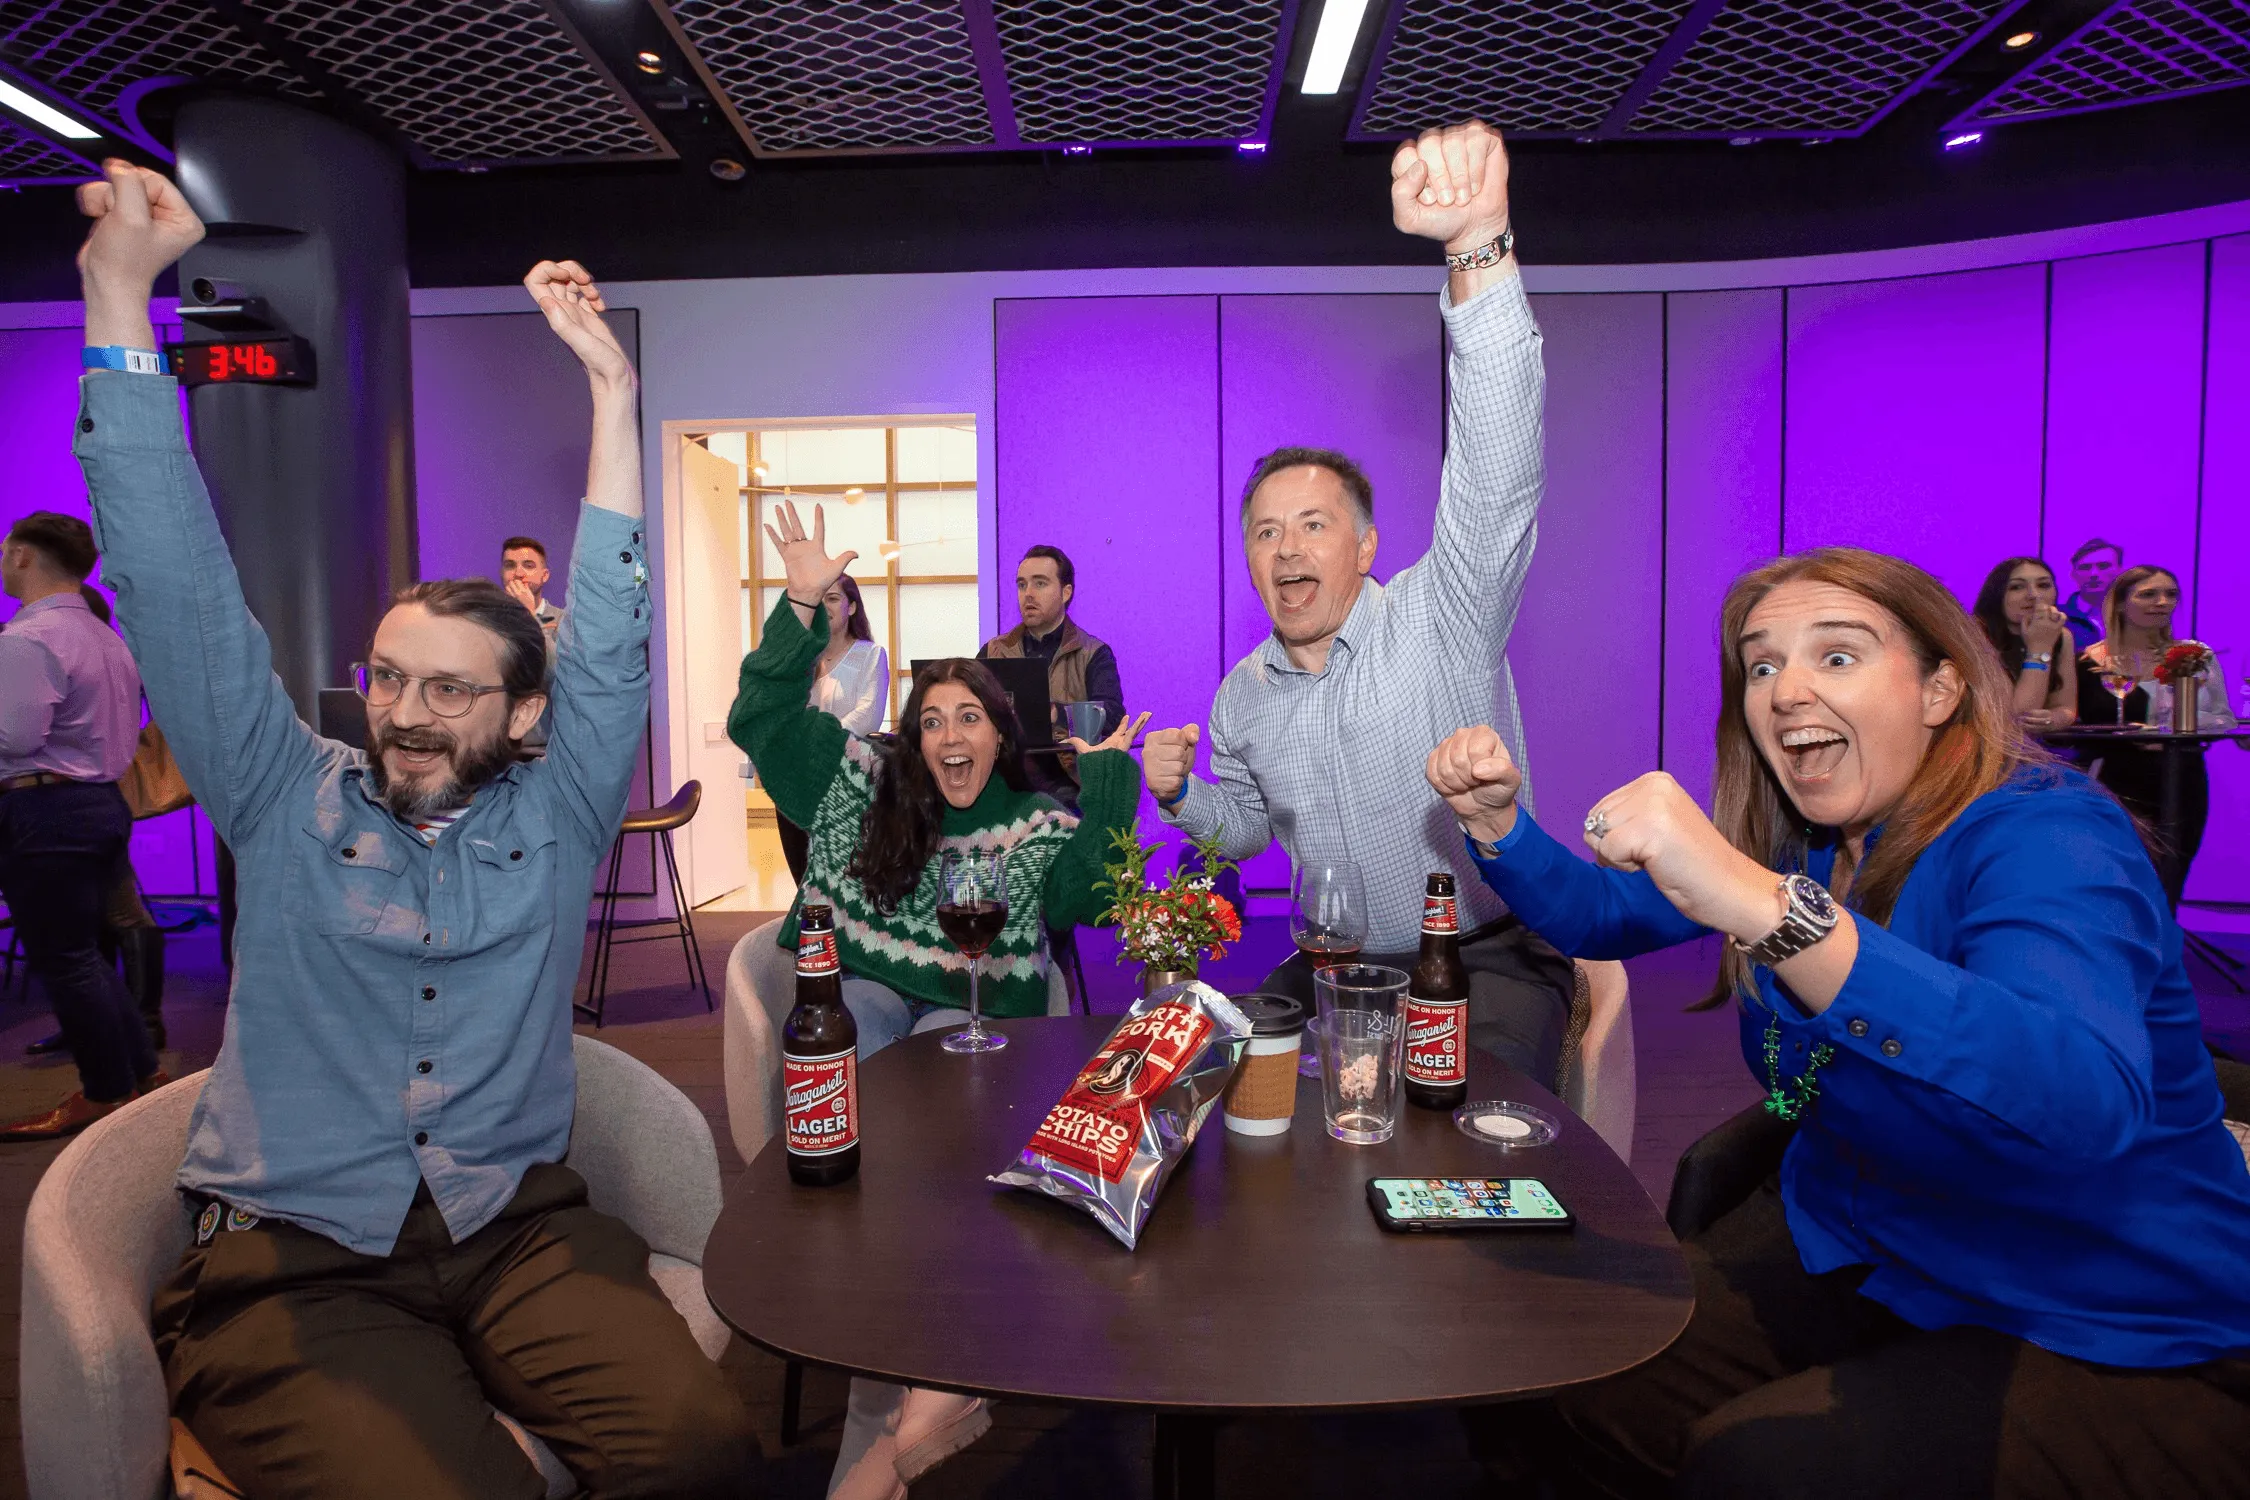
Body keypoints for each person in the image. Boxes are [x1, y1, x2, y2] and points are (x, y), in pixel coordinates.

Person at [68, 159, 756, 1498]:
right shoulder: (284, 790)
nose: (406, 712)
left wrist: (611, 390)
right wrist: (118, 306)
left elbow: (611, 646)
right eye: (388, 678)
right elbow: (178, 593)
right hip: (294, 1259)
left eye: (449, 688)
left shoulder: (559, 812)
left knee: (705, 1449)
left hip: (514, 1232)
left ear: (521, 713)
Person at [1429, 545, 2250, 1498]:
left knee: (1761, 1465)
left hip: (2099, 1313)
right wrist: (1499, 824)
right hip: (1887, 1256)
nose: (1785, 691)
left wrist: (1775, 913)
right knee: (1547, 1358)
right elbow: (1597, 918)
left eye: (1838, 656)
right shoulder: (1807, 843)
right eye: (1763, 664)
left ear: (1941, 688)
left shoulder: (2049, 833)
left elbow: (2081, 1098)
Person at [728, 499, 1154, 1500]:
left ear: (998, 734)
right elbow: (760, 721)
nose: (949, 736)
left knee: (945, 1119)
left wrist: (1109, 783)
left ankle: (900, 1405)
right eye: (931, 720)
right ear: (910, 738)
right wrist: (797, 608)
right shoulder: (858, 784)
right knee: (871, 1087)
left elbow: (1097, 897)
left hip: (973, 1022)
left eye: (970, 718)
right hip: (870, 997)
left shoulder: (1034, 824)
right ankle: (918, 1390)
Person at [1138, 118, 1574, 1084]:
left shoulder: (1442, 615)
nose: (1287, 547)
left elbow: (1497, 472)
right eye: (1265, 532)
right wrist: (1178, 797)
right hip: (1331, 963)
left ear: (1367, 546)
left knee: (1467, 1131)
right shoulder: (1241, 694)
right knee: (1228, 1098)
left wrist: (1477, 250)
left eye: (1314, 525)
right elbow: (1245, 830)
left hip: (1485, 955)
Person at [0, 511, 161, 1139]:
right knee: (84, 955)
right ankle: (139, 1073)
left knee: (67, 958)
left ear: (21, 556)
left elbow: (14, 738)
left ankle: (103, 1091)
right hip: (97, 803)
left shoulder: (28, 639)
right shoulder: (103, 636)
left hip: (45, 808)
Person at [2075, 564, 2236, 903]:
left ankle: (2165, 953)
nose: (2162, 602)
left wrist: (2179, 726)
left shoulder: (2196, 656)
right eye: (2148, 594)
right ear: (2120, 603)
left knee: (2169, 882)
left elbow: (2223, 718)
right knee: (2117, 882)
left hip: (2181, 778)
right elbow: (2076, 728)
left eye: (2171, 594)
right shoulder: (2088, 661)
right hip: (2115, 781)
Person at [979, 543, 1125, 808]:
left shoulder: (1093, 652)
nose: (1028, 594)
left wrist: (1058, 712)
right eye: (1022, 585)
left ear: (1065, 592)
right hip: (1004, 780)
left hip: (1069, 783)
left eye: (1040, 584)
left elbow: (1113, 714)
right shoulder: (994, 651)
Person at [776, 570, 888, 882]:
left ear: (851, 606)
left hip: (849, 774)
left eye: (833, 598)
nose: (824, 606)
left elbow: (868, 715)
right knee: (803, 873)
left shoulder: (870, 655)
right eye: (819, 599)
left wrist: (821, 744)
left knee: (845, 873)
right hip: (800, 774)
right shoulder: (801, 658)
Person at [1969, 555, 2078, 729]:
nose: (2034, 595)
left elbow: (2065, 708)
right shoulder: (1975, 634)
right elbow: (2018, 717)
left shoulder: (2061, 636)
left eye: (2043, 585)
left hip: (2039, 749)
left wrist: (2052, 718)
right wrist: (2040, 648)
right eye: (2017, 587)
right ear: (1997, 594)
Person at [500, 534, 564, 639]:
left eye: (528, 566)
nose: (519, 573)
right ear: (502, 573)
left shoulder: (563, 620)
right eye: (510, 565)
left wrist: (529, 615)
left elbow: (552, 656)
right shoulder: (489, 618)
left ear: (544, 576)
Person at [2062, 536, 2122, 645]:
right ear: (2073, 574)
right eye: (2085, 568)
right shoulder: (2058, 618)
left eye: (2103, 566)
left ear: (2120, 571)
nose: (2093, 574)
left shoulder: (2133, 615)